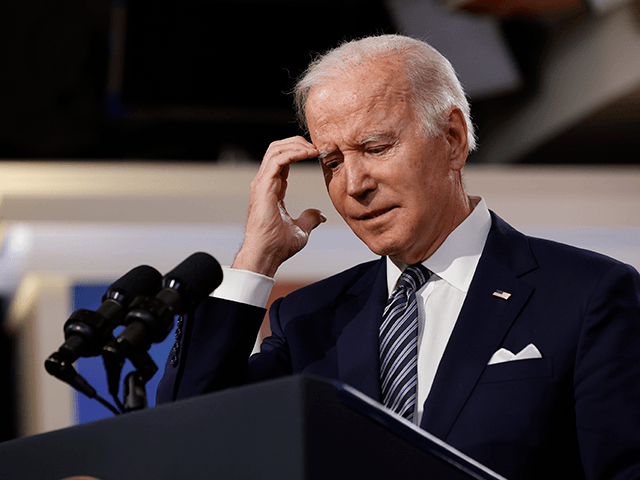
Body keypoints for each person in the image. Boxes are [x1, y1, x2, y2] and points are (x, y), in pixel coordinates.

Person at [157, 35, 640, 480]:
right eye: (331, 162)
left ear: (452, 139)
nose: (353, 185)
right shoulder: (309, 320)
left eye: (376, 147)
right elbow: (187, 442)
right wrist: (255, 257)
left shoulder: (588, 294)